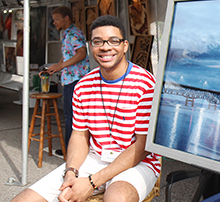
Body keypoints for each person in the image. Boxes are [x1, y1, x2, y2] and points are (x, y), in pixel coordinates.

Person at [12, 15, 161, 202]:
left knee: (116, 198)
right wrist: (71, 172)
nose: (105, 47)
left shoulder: (145, 85)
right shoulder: (83, 86)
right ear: (91, 47)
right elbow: (79, 135)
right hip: (95, 158)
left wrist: (91, 183)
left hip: (137, 163)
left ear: (125, 46)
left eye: (113, 41)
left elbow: (142, 146)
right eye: (98, 42)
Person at [44, 6, 90, 156]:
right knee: (70, 116)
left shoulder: (74, 33)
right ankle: (70, 149)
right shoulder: (67, 33)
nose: (54, 22)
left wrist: (61, 66)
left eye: (57, 19)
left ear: (66, 18)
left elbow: (81, 53)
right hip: (71, 78)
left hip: (76, 79)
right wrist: (56, 66)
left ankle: (71, 152)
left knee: (71, 116)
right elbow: (69, 55)